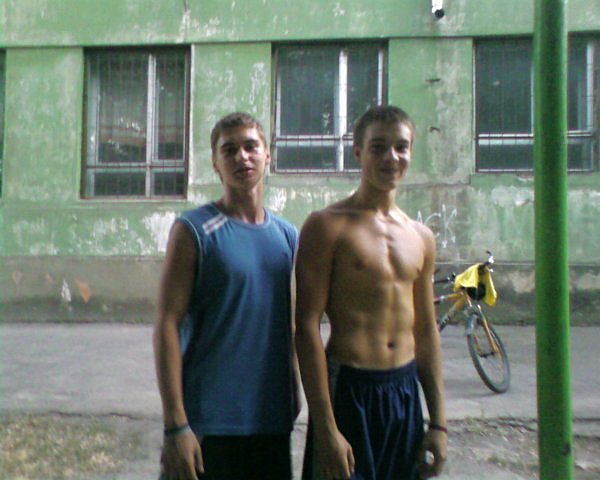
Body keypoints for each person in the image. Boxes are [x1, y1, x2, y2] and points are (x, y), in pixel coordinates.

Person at [295, 105, 447, 480]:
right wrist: (326, 428)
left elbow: (426, 331)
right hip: (349, 389)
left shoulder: (421, 237)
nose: (391, 157)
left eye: (401, 147)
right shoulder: (327, 226)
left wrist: (439, 424)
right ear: (358, 151)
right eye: (378, 147)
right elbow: (306, 327)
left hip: (404, 392)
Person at [153, 112, 299, 480]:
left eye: (251, 146)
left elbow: (289, 325)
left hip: (270, 420)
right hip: (209, 423)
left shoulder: (287, 235)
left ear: (268, 155)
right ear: (216, 164)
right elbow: (167, 325)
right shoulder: (195, 230)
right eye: (229, 150)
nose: (241, 157)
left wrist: (293, 388)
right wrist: (176, 425)